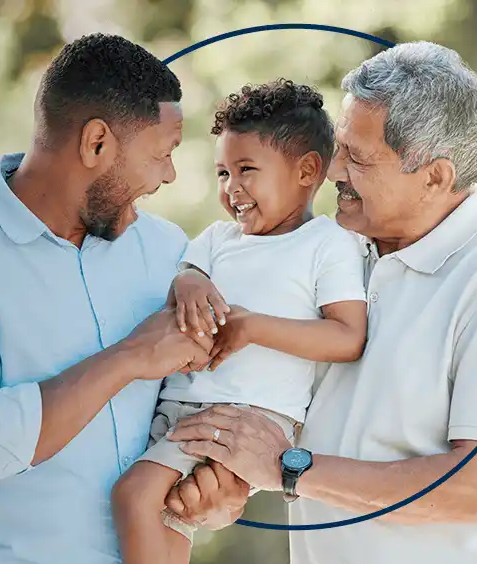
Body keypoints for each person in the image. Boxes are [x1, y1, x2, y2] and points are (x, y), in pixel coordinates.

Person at [167, 42, 477, 563]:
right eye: (339, 148)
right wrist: (230, 484)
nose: (333, 170)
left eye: (357, 157)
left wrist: (290, 469)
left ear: (434, 177)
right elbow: (294, 426)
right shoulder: (328, 252)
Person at [0, 33, 247, 563]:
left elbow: (193, 415)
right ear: (96, 143)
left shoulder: (170, 253)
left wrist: (220, 494)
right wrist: (130, 357)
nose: (168, 175)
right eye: (161, 155)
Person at [111, 79, 369, 564]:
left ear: (307, 171)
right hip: (183, 403)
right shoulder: (216, 238)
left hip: (246, 415)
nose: (232, 187)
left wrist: (252, 327)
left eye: (247, 169)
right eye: (223, 173)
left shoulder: (328, 244)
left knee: (133, 495)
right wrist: (188, 280)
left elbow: (347, 336)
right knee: (171, 516)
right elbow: (186, 279)